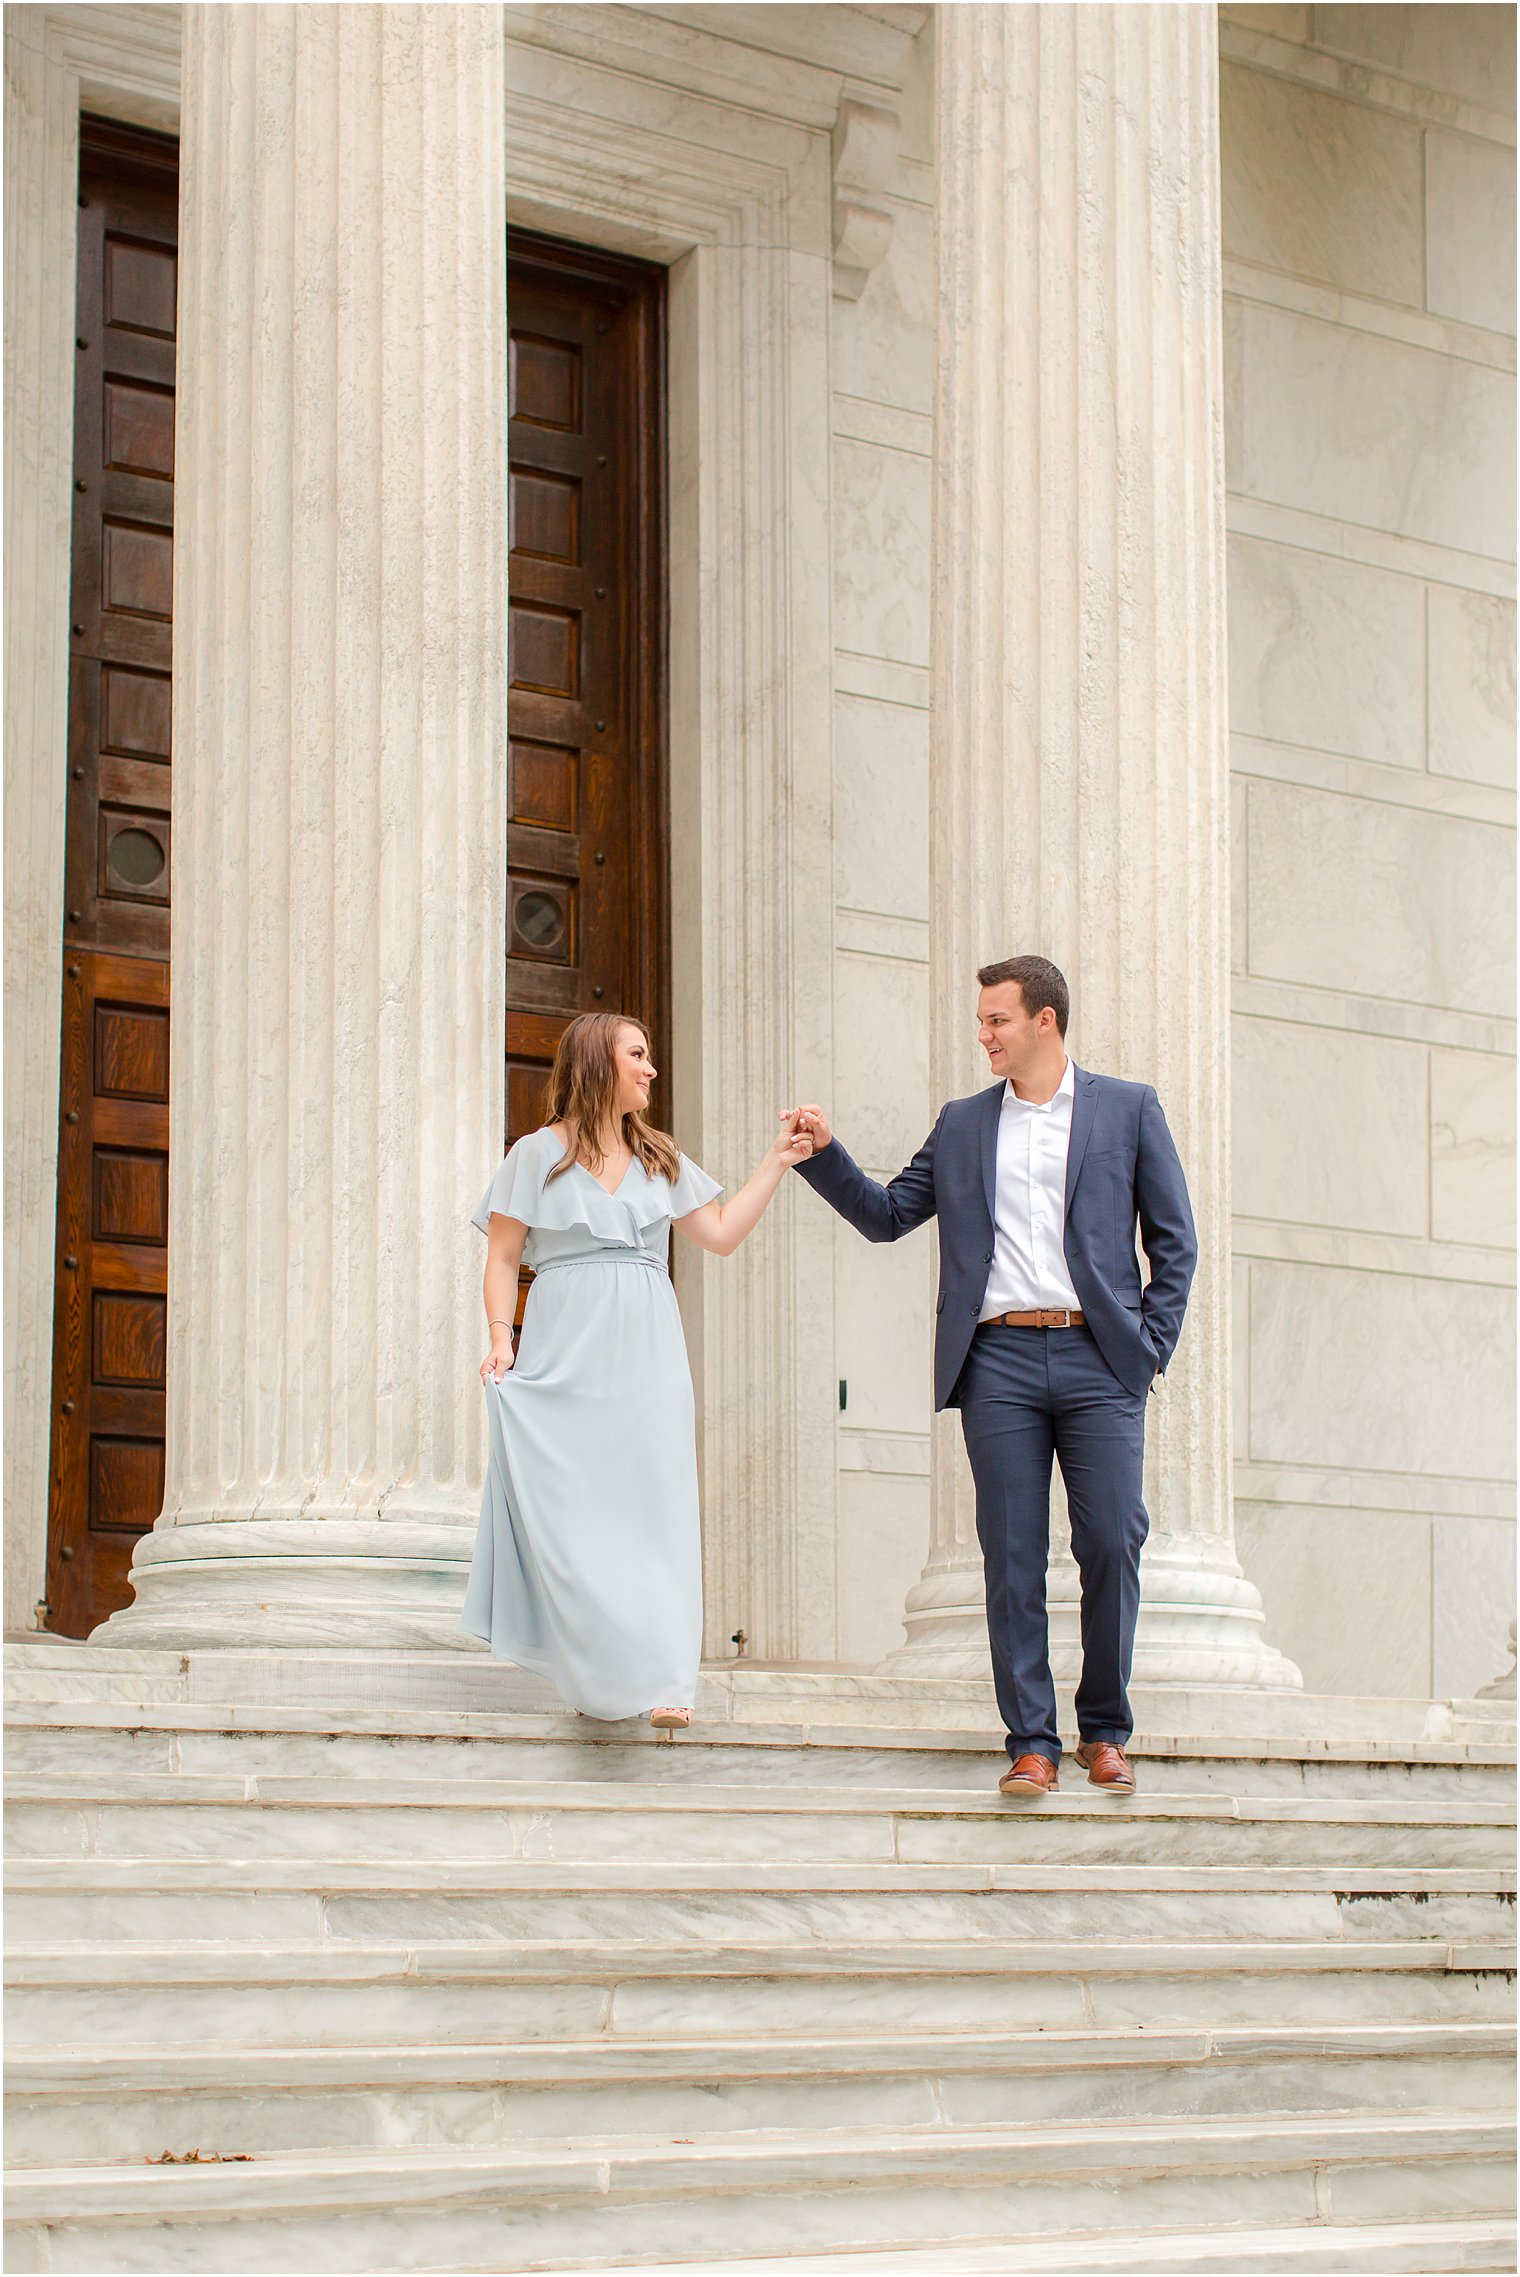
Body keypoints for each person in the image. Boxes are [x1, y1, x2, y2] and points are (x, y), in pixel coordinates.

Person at [788, 955, 1196, 1798]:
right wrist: (825, 1156)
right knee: (1010, 1556)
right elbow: (889, 1214)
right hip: (999, 1359)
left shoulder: (1127, 1107)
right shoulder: (966, 1122)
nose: (984, 1034)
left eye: (997, 1019)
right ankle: (1033, 1742)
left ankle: (1106, 1730)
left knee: (1113, 1537)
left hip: (1099, 1358)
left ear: (1045, 1019)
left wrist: (1146, 1346)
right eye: (981, 1020)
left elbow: (1174, 1240)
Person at [462, 1010, 812, 1734]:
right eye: (638, 1055)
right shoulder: (534, 1155)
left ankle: (665, 1674)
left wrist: (776, 1162)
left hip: (648, 1348)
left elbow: (718, 1235)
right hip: (566, 1342)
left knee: (655, 1504)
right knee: (576, 1505)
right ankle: (593, 1663)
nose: (651, 1068)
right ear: (598, 1062)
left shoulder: (661, 1158)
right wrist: (503, 1338)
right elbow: (501, 1257)